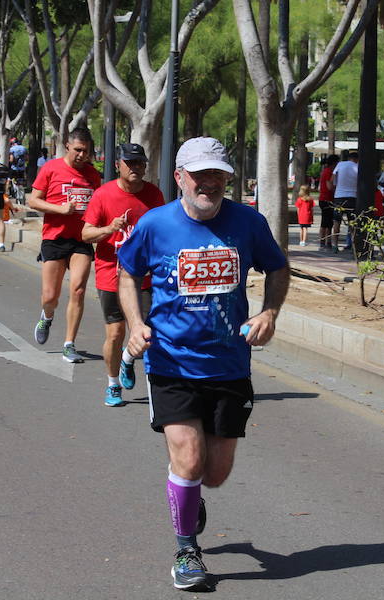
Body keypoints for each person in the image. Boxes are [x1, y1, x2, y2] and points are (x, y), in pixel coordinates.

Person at [117, 137, 290, 592]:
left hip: (230, 364)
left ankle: (189, 496)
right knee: (189, 459)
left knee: (214, 474)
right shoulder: (155, 224)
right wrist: (135, 324)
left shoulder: (248, 222)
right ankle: (186, 548)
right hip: (171, 362)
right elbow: (128, 274)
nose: (209, 184)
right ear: (179, 178)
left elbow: (277, 267)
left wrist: (269, 312)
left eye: (217, 175)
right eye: (200, 175)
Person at [81, 142, 164, 407]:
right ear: (118, 165)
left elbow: (161, 233)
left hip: (145, 277)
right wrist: (109, 228)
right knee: (116, 333)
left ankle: (129, 359)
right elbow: (85, 233)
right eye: (130, 163)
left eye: (139, 163)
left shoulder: (154, 195)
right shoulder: (103, 195)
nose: (135, 168)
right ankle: (112, 384)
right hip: (110, 273)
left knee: (146, 332)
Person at [28, 127, 102, 364]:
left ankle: (69, 344)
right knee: (50, 295)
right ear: (68, 146)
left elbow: (98, 205)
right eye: (78, 150)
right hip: (54, 238)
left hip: (81, 239)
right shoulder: (51, 168)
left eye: (87, 151)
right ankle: (47, 316)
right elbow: (33, 200)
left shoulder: (93, 175)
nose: (82, 155)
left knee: (78, 289)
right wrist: (61, 209)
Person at [330, 150, 359, 252]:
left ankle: (335, 245)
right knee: (352, 223)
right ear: (356, 159)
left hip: (339, 196)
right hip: (353, 197)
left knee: (336, 222)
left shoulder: (340, 164)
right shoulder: (358, 167)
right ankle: (353, 246)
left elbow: (333, 180)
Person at [317, 155, 338, 249]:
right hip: (327, 199)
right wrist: (337, 190)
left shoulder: (326, 171)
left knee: (327, 221)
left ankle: (325, 241)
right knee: (326, 222)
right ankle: (325, 241)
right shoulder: (329, 171)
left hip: (324, 199)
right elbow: (329, 186)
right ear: (334, 163)